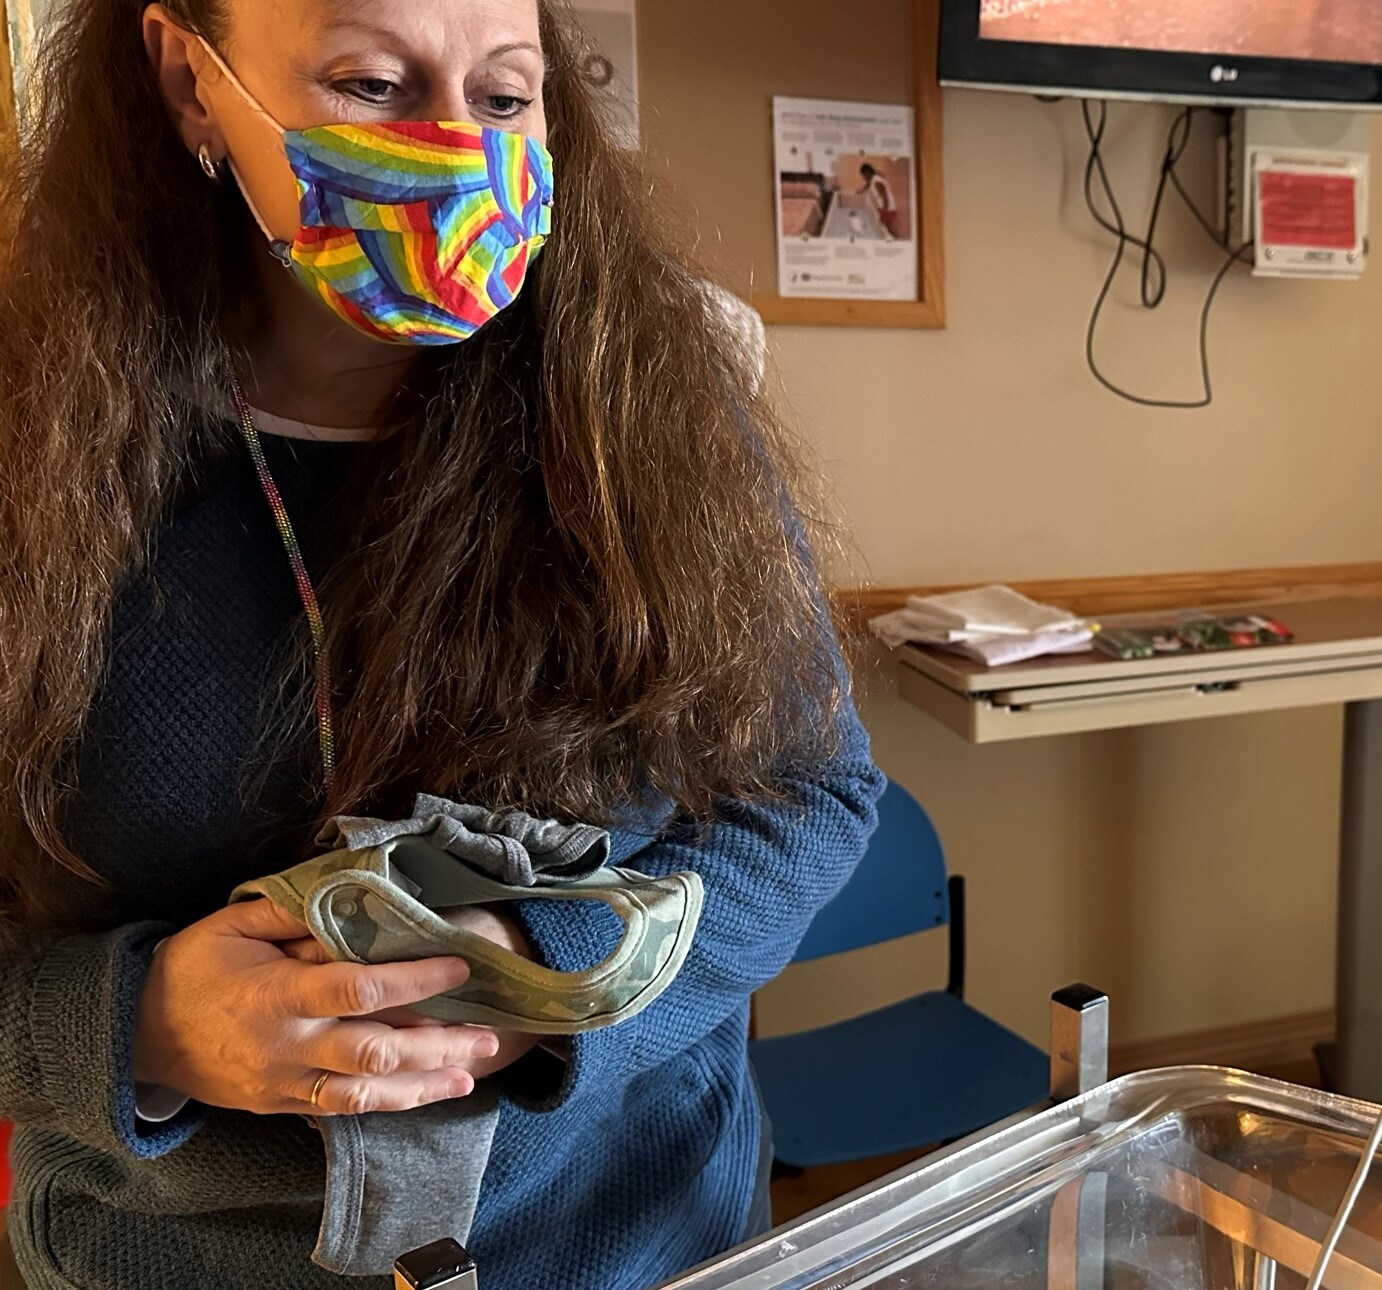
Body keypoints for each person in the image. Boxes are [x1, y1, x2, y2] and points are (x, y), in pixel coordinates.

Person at [0, 0, 884, 1286]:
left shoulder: (653, 399)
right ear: (191, 81)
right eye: (369, 83)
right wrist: (125, 1028)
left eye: (506, 94)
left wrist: (551, 977)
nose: (455, 147)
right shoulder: (30, 444)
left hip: (640, 1247)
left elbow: (812, 796)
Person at [858, 160, 901, 241]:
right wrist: (861, 191)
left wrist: (885, 209)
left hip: (888, 207)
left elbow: (884, 195)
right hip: (885, 206)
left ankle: (897, 241)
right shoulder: (873, 179)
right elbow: (867, 185)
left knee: (889, 226)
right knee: (886, 226)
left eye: (863, 175)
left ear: (867, 173)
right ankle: (894, 240)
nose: (863, 178)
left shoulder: (877, 181)